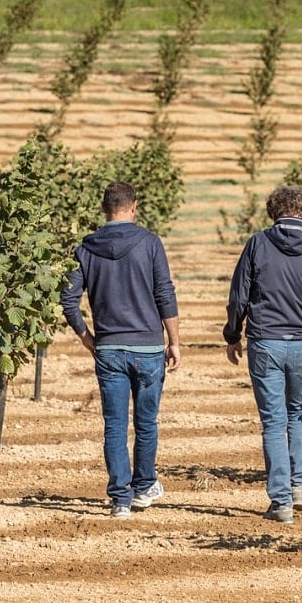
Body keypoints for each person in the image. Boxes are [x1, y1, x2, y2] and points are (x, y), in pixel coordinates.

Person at [224, 185, 302, 525]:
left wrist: (232, 334)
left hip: (264, 341)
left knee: (274, 422)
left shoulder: (258, 244)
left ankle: (281, 501)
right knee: (298, 412)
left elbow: (239, 296)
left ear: (272, 213)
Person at [62, 181, 181, 519]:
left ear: (104, 209)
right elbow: (165, 294)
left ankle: (120, 499)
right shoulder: (150, 243)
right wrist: (174, 341)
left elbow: (68, 300)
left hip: (109, 347)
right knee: (146, 422)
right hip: (148, 348)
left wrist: (87, 337)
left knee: (114, 425)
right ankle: (144, 486)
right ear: (134, 206)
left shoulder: (84, 249)